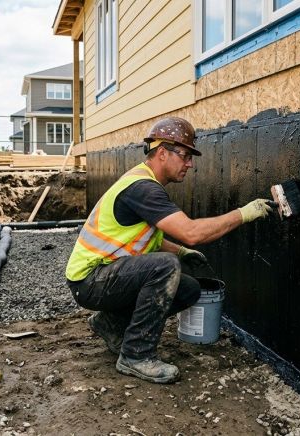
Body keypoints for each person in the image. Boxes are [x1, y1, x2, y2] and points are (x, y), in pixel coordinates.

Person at [65, 117, 275, 384]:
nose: (190, 163)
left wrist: (181, 252)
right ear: (162, 153)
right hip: (89, 280)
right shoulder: (143, 188)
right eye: (185, 155)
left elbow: (145, 238)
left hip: (104, 276)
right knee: (164, 267)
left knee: (188, 289)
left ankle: (111, 324)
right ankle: (136, 356)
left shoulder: (145, 183)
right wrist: (244, 214)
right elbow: (192, 232)